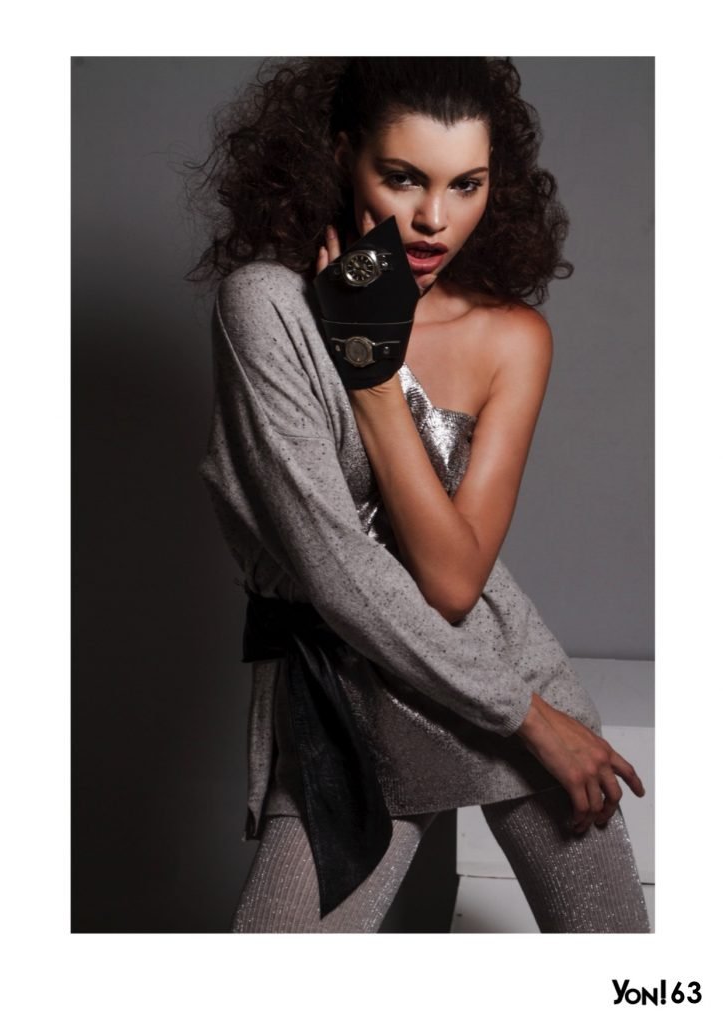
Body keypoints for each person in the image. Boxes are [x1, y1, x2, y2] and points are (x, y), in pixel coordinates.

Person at [190, 57, 651, 933]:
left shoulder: (509, 335)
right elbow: (334, 565)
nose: (436, 218)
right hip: (357, 702)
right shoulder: (269, 307)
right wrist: (525, 717)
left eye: (465, 184)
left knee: (623, 973)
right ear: (343, 158)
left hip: (500, 677)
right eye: (403, 177)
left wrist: (372, 375)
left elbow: (451, 583)